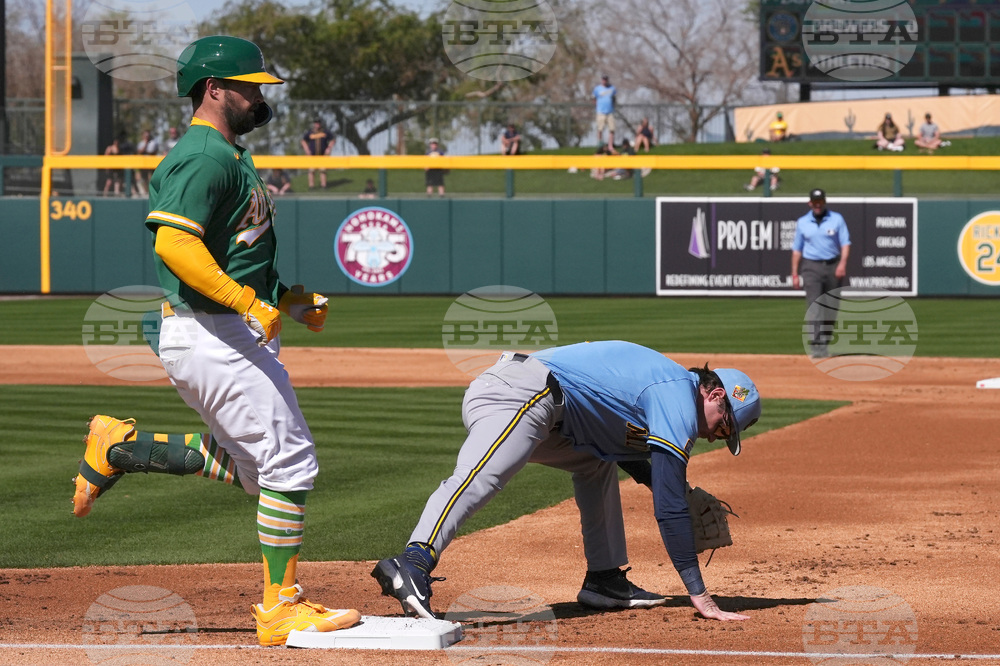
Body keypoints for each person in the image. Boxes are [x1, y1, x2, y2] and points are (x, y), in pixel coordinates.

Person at [70, 35, 360, 647]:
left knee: (259, 467)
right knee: (289, 460)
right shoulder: (203, 156)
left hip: (222, 327)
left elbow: (238, 253)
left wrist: (285, 300)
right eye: (250, 85)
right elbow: (174, 244)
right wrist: (246, 302)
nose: (260, 94)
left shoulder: (230, 153)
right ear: (214, 89)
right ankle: (280, 608)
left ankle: (120, 450)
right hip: (209, 330)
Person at [371, 341, 760, 622]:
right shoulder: (676, 393)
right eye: (725, 428)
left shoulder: (668, 393)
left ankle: (604, 579)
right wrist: (699, 593)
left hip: (550, 413)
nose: (717, 437)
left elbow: (636, 460)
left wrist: (680, 492)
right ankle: (414, 560)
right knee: (483, 475)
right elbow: (669, 509)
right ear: (716, 395)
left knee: (597, 462)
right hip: (522, 392)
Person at [790, 189, 851, 359]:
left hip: (833, 265)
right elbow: (797, 249)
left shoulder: (836, 219)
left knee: (831, 307)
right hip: (811, 266)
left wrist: (842, 264)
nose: (817, 205)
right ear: (810, 203)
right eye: (815, 202)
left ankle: (824, 341)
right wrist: (794, 273)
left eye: (820, 201)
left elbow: (845, 243)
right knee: (814, 306)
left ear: (824, 202)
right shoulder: (803, 222)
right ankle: (817, 346)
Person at [300, 118, 334, 189]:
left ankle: (323, 186)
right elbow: (303, 141)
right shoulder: (310, 132)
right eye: (316, 122)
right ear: (314, 124)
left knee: (322, 171)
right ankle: (311, 187)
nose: (317, 124)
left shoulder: (325, 132)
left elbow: (332, 140)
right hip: (312, 156)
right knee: (311, 171)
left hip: (322, 156)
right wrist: (306, 149)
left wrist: (329, 148)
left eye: (318, 122)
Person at [593, 74, 616, 148]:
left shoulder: (612, 88)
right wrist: (597, 107)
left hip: (610, 112)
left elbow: (614, 98)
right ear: (601, 80)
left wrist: (612, 106)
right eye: (603, 79)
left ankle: (610, 145)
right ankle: (600, 144)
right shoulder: (597, 89)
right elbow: (594, 98)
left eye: (605, 79)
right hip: (601, 111)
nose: (604, 81)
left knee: (612, 129)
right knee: (600, 128)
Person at [135, 129, 160, 195]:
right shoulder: (141, 143)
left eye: (147, 135)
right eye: (145, 135)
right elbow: (139, 152)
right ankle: (145, 192)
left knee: (151, 178)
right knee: (143, 179)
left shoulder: (153, 143)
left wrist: (146, 151)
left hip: (151, 165)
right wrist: (145, 144)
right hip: (143, 164)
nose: (146, 137)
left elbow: (153, 152)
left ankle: (151, 192)